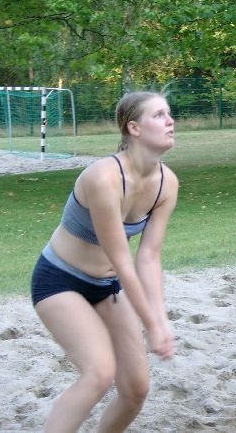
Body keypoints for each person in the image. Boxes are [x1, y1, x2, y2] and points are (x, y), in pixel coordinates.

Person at [31, 91, 178, 432]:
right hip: (59, 280)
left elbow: (149, 258)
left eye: (169, 113)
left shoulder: (167, 184)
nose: (170, 121)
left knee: (136, 389)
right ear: (134, 128)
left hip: (105, 287)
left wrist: (160, 319)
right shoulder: (104, 177)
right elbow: (123, 260)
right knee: (99, 373)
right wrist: (152, 326)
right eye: (159, 115)